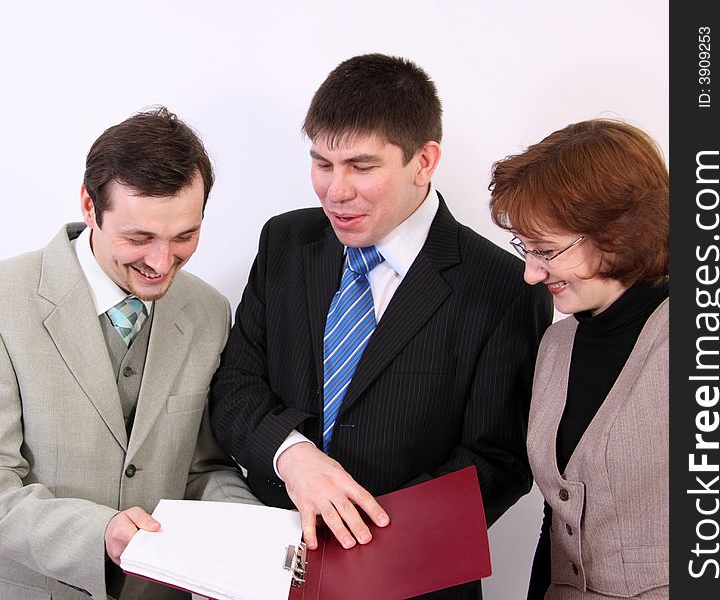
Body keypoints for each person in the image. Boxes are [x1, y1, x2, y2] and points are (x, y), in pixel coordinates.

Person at [210, 53, 553, 599]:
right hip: (270, 574)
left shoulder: (505, 285)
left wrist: (373, 550)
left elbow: (498, 462)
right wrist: (292, 456)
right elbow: (235, 388)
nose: (335, 191)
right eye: (323, 163)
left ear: (424, 160)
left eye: (362, 167)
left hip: (412, 584)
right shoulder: (284, 241)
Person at [0, 106, 259, 600]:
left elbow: (204, 468)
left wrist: (254, 530)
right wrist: (99, 534)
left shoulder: (210, 310)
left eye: (185, 236)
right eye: (138, 238)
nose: (162, 263)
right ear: (88, 204)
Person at [488, 118, 669, 599]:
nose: (530, 274)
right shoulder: (557, 344)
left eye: (546, 250)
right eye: (524, 249)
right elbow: (558, 522)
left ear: (619, 232)